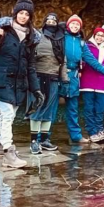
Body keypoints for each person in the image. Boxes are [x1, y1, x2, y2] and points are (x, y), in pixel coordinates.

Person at [0, 0, 44, 169]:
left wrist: (36, 89)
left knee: (9, 116)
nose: (23, 16)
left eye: (27, 14)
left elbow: (31, 66)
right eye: (21, 13)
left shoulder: (31, 38)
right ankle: (8, 152)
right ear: (15, 13)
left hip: (19, 83)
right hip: (2, 79)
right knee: (6, 115)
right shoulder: (3, 31)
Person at [61, 15, 104, 144]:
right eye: (73, 24)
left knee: (73, 108)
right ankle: (44, 138)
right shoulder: (61, 38)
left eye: (77, 25)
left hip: (74, 77)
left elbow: (91, 60)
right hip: (59, 75)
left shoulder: (81, 43)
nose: (75, 26)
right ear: (68, 25)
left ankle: (76, 135)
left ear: (80, 27)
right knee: (52, 106)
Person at [28, 12, 67, 154]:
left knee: (49, 110)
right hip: (38, 76)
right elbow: (30, 54)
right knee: (37, 108)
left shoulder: (61, 39)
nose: (51, 22)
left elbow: (64, 59)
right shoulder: (37, 35)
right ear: (44, 22)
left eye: (54, 20)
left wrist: (65, 78)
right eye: (48, 19)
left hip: (54, 77)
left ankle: (44, 140)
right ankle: (34, 141)